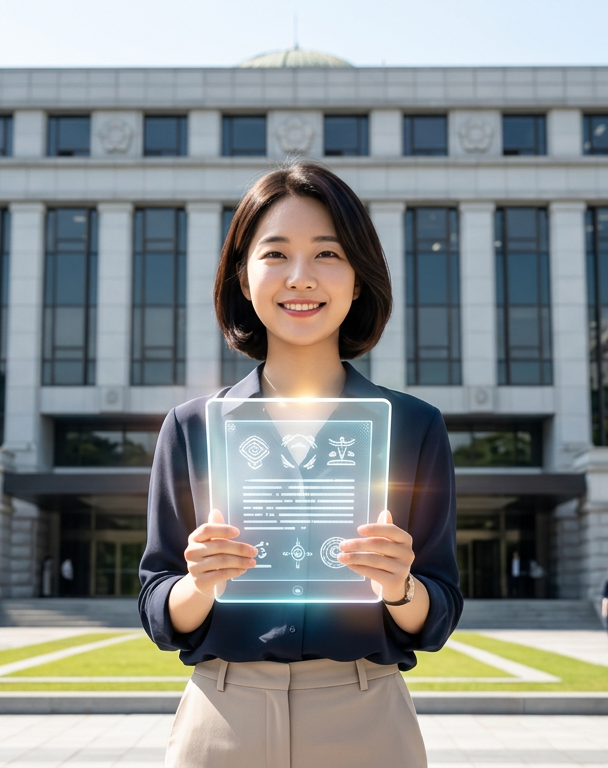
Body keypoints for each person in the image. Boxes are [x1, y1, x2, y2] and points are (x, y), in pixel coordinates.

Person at [138, 163, 462, 768]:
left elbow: (436, 612)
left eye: (327, 255)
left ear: (359, 279)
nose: (300, 278)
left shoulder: (414, 427)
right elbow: (158, 605)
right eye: (275, 254)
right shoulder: (191, 427)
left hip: (366, 718)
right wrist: (199, 584)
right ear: (243, 275)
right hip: (223, 715)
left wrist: (399, 586)